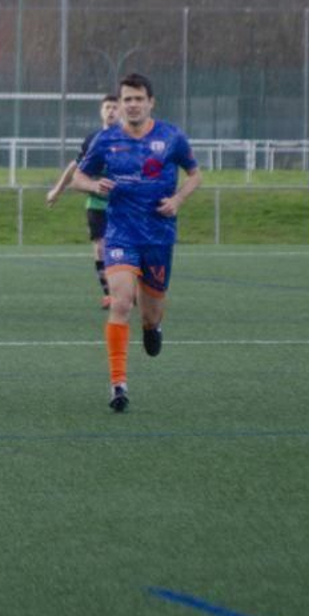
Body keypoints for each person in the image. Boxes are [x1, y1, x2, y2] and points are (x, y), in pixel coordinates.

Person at [70, 72, 201, 413]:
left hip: (158, 237)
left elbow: (195, 174)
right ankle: (118, 384)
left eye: (137, 98)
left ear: (150, 102)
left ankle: (153, 327)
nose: (131, 104)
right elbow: (78, 177)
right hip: (121, 234)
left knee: (150, 311)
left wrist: (178, 201)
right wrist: (92, 186)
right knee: (122, 303)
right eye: (126, 99)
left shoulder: (172, 137)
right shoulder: (105, 139)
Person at [45, 94, 122, 309]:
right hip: (97, 204)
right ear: (101, 111)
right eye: (107, 107)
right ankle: (110, 294)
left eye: (115, 107)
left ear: (121, 111)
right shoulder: (93, 139)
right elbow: (75, 167)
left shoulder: (130, 139)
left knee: (122, 247)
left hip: (124, 205)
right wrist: (57, 190)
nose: (111, 111)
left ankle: (126, 288)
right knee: (100, 247)